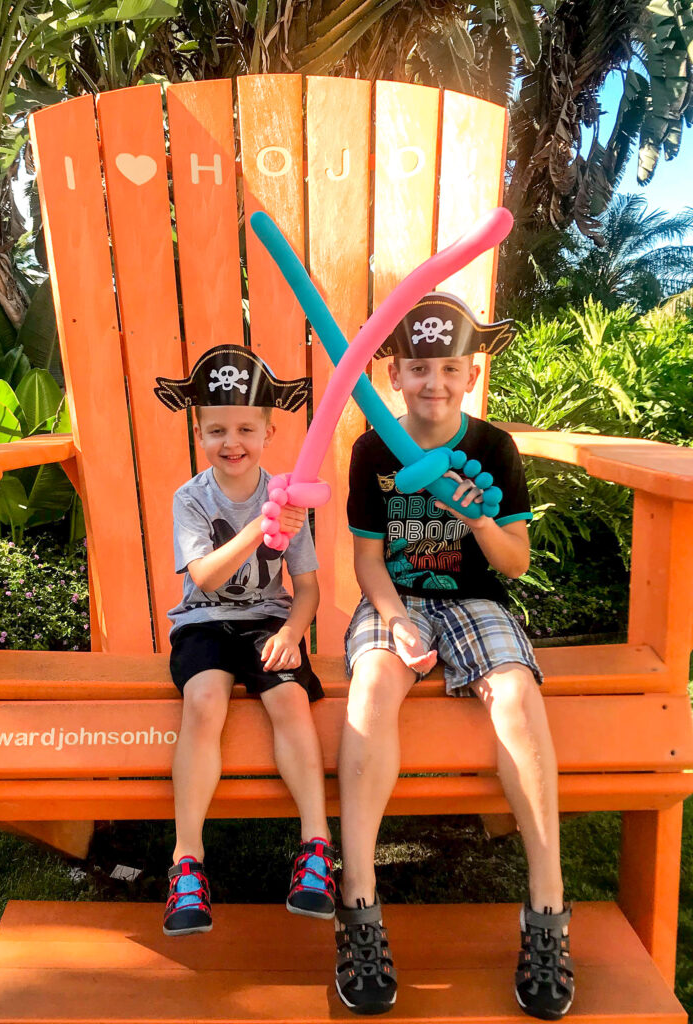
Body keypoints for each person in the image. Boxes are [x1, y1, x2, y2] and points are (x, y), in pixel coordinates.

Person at [334, 294, 574, 1019]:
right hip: (396, 601)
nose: (432, 382)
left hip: (477, 603)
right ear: (395, 375)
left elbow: (516, 563)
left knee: (514, 690)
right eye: (417, 369)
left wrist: (475, 514)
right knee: (373, 681)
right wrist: (395, 617)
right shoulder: (372, 449)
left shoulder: (492, 448)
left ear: (470, 374)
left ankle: (547, 910)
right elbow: (369, 563)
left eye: (447, 368)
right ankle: (359, 905)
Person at [154, 344, 335, 935]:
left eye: (245, 429)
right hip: (203, 622)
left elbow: (306, 588)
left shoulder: (291, 498)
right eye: (216, 430)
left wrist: (291, 631)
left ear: (268, 431)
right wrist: (262, 524)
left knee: (289, 700)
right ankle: (187, 863)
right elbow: (204, 575)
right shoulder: (190, 498)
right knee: (203, 703)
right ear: (199, 433)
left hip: (267, 622)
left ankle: (316, 848)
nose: (232, 441)